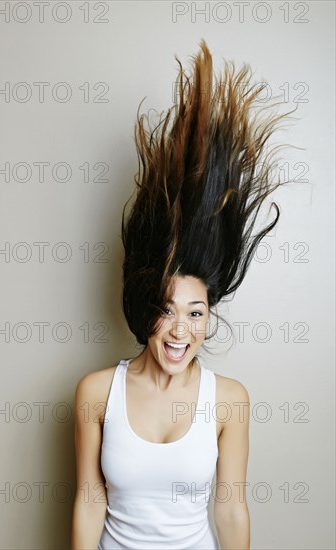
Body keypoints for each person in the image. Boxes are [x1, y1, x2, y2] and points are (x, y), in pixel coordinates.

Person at [71, 39, 297, 549]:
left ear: (208, 317)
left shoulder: (230, 401)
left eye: (196, 313)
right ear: (144, 308)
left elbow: (232, 509)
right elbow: (89, 499)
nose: (181, 330)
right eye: (167, 310)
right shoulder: (95, 394)